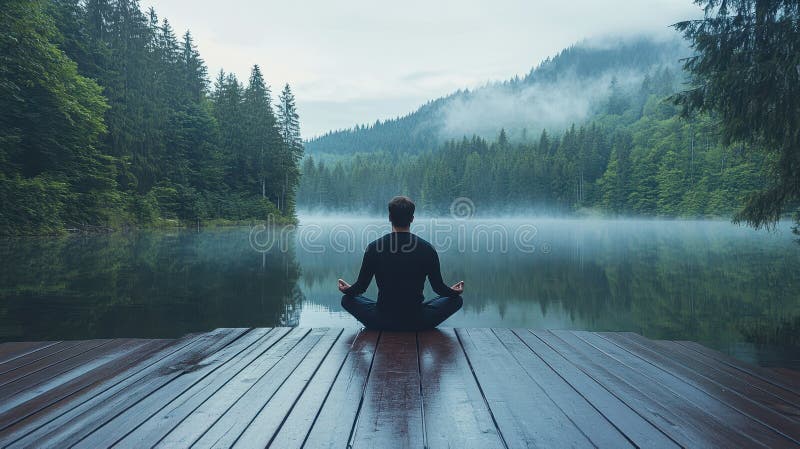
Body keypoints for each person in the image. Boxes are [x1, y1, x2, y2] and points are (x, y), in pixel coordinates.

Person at [338, 196, 464, 331]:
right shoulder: (427, 249)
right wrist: (453, 292)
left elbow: (361, 287)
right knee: (456, 300)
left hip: (381, 319)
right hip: (417, 320)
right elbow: (438, 288)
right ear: (412, 219)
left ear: (390, 218)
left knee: (347, 299)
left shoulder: (374, 247)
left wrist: (348, 290)